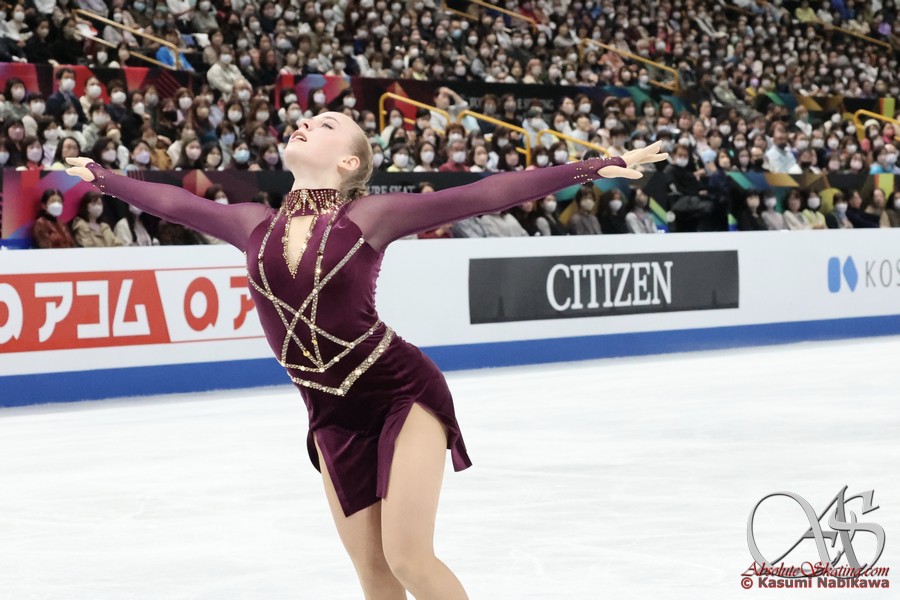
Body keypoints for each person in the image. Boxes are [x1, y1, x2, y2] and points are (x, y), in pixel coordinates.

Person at [65, 114, 666, 599]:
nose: (306, 122)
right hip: (329, 413)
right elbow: (173, 203)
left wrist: (592, 167)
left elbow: (483, 194)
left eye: (326, 125)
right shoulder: (252, 224)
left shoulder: (368, 216)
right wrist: (101, 176)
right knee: (375, 579)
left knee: (408, 559)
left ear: (349, 163)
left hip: (399, 393)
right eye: (308, 120)